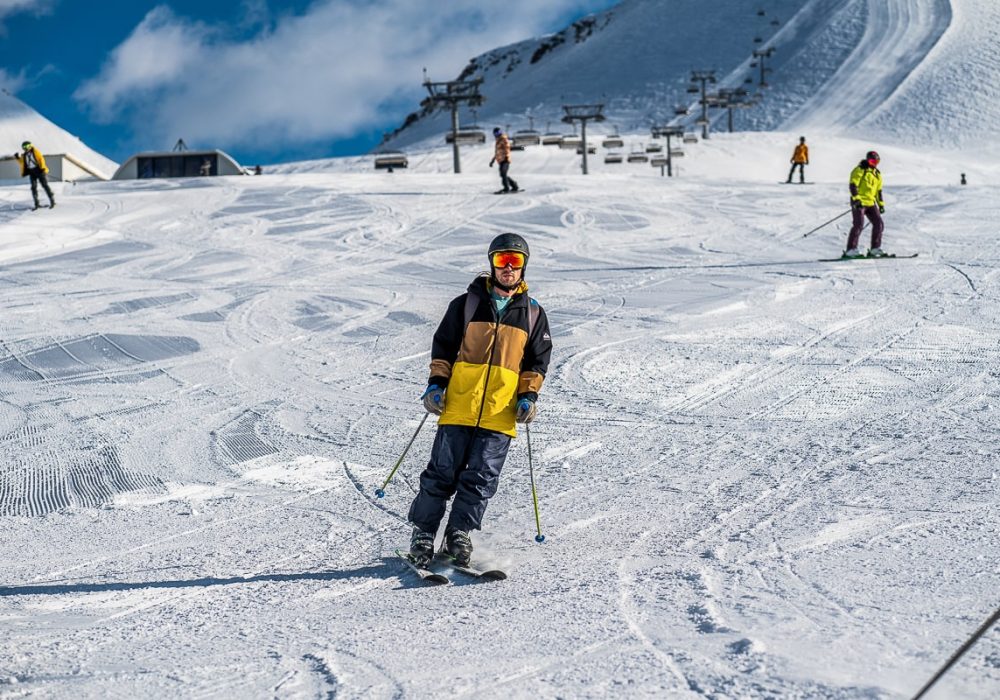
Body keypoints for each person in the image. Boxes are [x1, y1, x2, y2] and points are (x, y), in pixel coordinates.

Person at [407, 233, 552, 567]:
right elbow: (443, 347)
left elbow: (537, 362)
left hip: (500, 413)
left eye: (515, 262)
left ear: (524, 267)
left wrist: (528, 396)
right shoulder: (467, 304)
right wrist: (436, 385)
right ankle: (424, 535)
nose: (508, 268)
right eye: (502, 260)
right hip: (459, 406)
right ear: (492, 264)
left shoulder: (532, 314)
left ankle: (459, 535)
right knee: (442, 474)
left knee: (481, 479)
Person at [844, 150, 887, 258]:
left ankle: (875, 249)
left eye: (877, 161)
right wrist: (857, 199)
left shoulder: (877, 175)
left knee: (879, 224)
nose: (874, 164)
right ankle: (851, 250)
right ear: (868, 160)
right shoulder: (860, 170)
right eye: (872, 161)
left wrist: (881, 205)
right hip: (859, 202)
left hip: (871, 203)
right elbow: (853, 185)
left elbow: (878, 191)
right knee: (858, 225)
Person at [14, 141, 55, 210]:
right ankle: (36, 204)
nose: (25, 148)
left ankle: (52, 201)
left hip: (39, 170)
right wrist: (17, 158)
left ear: (30, 146)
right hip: (31, 172)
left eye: (26, 146)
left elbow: (41, 159)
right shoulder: (24, 155)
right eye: (23, 147)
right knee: (33, 187)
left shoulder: (35, 152)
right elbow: (22, 163)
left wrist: (42, 168)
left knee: (44, 185)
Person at [489, 127, 519, 193]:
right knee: (502, 174)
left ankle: (506, 188)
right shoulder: (498, 141)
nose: (497, 134)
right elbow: (497, 152)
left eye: (498, 133)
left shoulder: (503, 139)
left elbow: (507, 148)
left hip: (505, 159)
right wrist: (492, 160)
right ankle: (514, 186)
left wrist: (506, 156)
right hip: (501, 160)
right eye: (496, 133)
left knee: (503, 174)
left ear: (501, 132)